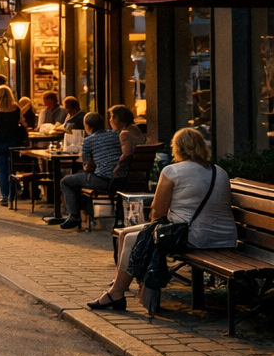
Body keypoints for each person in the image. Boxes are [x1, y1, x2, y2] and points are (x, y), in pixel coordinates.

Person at [90, 128, 235, 310]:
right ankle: (118, 286)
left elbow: (157, 213)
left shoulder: (172, 171)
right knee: (125, 233)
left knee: (131, 237)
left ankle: (117, 292)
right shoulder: (219, 171)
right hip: (224, 236)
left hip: (194, 237)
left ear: (178, 148)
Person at [49, 105, 138, 229]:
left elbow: (87, 165)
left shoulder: (88, 141)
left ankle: (74, 216)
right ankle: (85, 214)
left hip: (105, 180)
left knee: (67, 181)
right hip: (122, 178)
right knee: (79, 178)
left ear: (87, 126)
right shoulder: (116, 134)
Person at [0, 85, 28, 208]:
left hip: (0, 141)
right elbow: (23, 123)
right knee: (12, 169)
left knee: (2, 170)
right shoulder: (16, 108)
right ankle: (12, 195)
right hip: (14, 142)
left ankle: (4, 196)